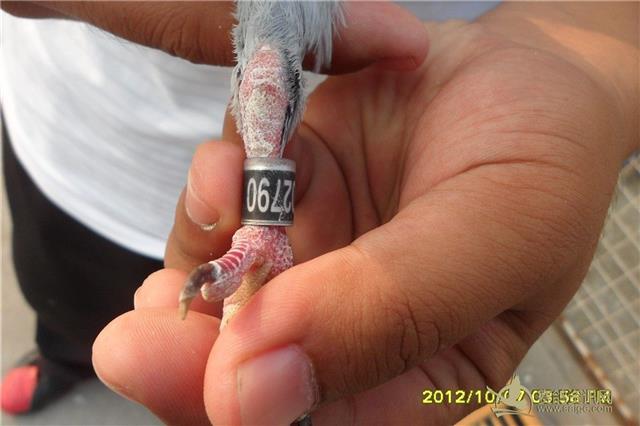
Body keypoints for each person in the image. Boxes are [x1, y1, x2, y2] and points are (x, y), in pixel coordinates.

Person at [4, 2, 639, 425]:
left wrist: (586, 64)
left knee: (227, 361)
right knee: (70, 300)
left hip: (402, 146)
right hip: (79, 138)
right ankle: (61, 358)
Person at [0, 0, 459, 415]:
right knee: (67, 294)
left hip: (359, 148)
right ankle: (62, 357)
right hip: (82, 129)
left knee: (248, 357)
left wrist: (505, 36)